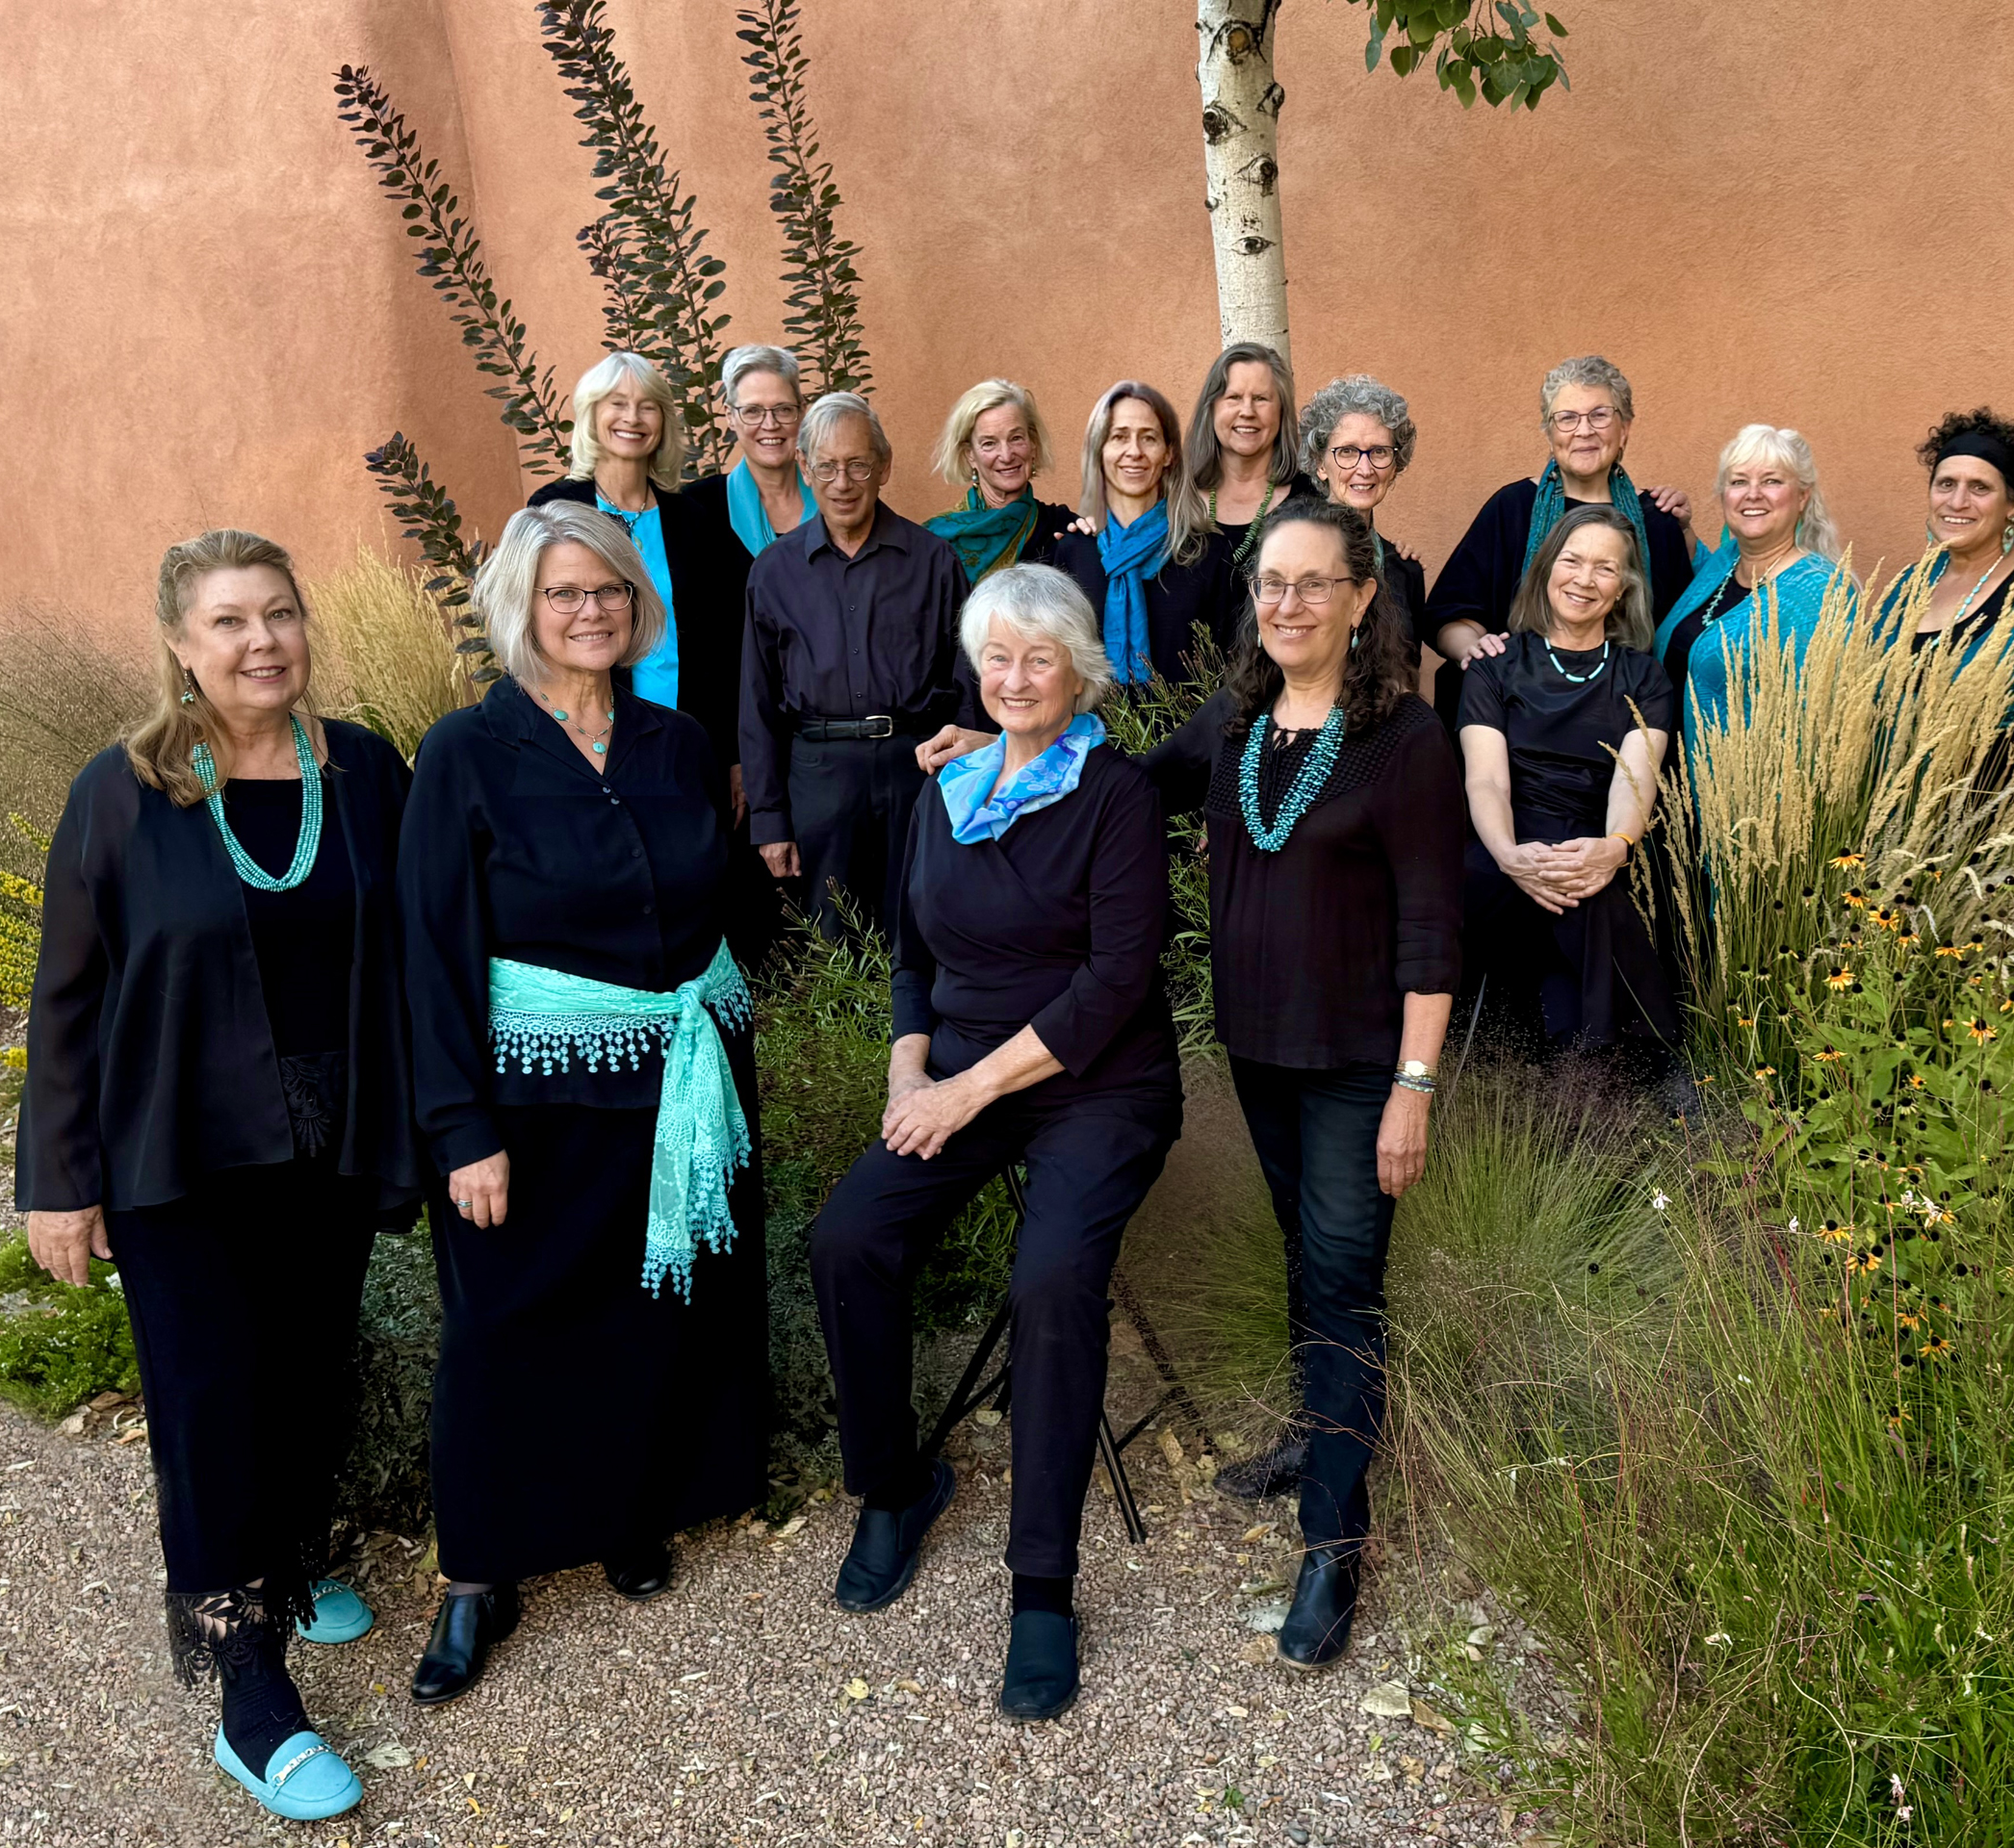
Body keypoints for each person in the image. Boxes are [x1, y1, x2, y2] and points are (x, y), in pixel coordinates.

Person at [19, 529, 421, 1823]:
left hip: (327, 1140)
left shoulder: (361, 769)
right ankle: (251, 1685)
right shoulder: (124, 792)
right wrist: (55, 1180)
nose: (263, 643)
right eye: (231, 624)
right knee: (209, 1401)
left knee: (311, 1371)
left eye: (281, 615)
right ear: (183, 649)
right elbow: (68, 998)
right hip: (178, 1155)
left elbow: (413, 948)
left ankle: (295, 1560)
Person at [399, 501, 766, 1707]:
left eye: (608, 589)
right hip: (533, 1097)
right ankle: (478, 1573)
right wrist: (461, 1130)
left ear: (636, 601)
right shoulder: (468, 749)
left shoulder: (672, 740)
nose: (590, 611)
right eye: (564, 594)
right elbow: (433, 950)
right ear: (520, 608)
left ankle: (624, 1512)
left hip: (678, 1082)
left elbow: (717, 896)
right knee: (504, 1327)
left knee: (645, 1309)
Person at [811, 564, 1182, 1724]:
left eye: (1039, 658)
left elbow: (1116, 979)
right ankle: (895, 1484)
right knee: (847, 1239)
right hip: (954, 1075)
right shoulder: (948, 786)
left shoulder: (1114, 795)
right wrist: (907, 1065)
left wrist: (965, 1088)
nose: (1015, 679)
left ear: (1080, 670)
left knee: (1054, 1277)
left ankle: (1042, 1585)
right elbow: (914, 955)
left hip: (1096, 1086)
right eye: (998, 659)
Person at [1145, 498, 1464, 1671]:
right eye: (1270, 583)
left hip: (1353, 1067)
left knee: (1343, 1278)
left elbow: (1433, 925)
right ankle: (1312, 1434)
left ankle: (1334, 1538)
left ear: (1361, 597)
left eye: (1311, 583)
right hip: (1261, 1053)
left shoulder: (1404, 740)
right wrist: (1008, 753)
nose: (1285, 604)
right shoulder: (1238, 724)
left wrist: (1413, 1085)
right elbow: (1133, 787)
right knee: (1304, 1253)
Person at [530, 350, 776, 965]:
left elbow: (733, 647)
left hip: (685, 744)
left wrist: (738, 754)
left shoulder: (693, 520)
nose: (633, 418)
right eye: (617, 404)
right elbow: (527, 625)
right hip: (585, 738)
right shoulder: (556, 510)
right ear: (591, 416)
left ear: (664, 422)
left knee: (691, 882)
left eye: (647, 406)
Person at [738, 392, 970, 939]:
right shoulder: (773, 572)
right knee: (831, 941)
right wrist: (769, 820)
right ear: (805, 469)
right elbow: (758, 702)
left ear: (883, 467)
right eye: (827, 466)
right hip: (818, 779)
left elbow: (968, 682)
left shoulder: (934, 560)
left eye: (858, 464)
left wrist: (964, 785)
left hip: (916, 769)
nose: (843, 482)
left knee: (922, 929)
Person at [1459, 506, 1677, 1063]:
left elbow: (1635, 780)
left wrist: (1615, 847)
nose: (1584, 579)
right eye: (1572, 560)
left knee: (1589, 891)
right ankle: (1648, 1059)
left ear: (1625, 588)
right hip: (1501, 850)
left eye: (1605, 568)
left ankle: (1579, 1069)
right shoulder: (1497, 665)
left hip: (1592, 845)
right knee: (1588, 899)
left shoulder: (1644, 677)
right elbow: (1486, 780)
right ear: (1546, 569)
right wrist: (1510, 855)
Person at [1423, 355, 1696, 708]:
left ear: (1625, 428)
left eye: (1600, 415)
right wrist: (1474, 649)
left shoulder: (1656, 520)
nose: (1584, 430)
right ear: (1550, 434)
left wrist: (1684, 532)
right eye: (1567, 418)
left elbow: (1679, 632)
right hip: (1513, 709)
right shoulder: (1513, 508)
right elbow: (1449, 613)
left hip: (1622, 713)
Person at [1879, 407, 2014, 765]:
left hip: (1993, 816)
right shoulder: (1908, 587)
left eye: (1980, 488)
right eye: (1946, 484)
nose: (1957, 502)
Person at [1652, 424, 1850, 752]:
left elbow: (1816, 726)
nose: (1752, 493)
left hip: (1742, 794)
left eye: (1771, 481)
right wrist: (1681, 529)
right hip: (1669, 786)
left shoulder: (1819, 590)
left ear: (1802, 496)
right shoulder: (1727, 560)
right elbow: (1714, 613)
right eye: (1738, 482)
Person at [1051, 380, 1242, 688]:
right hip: (1091, 735)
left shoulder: (1209, 554)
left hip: (1190, 735)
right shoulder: (1073, 552)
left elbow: (1233, 671)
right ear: (1100, 451)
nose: (1134, 452)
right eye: (1119, 437)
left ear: (1168, 454)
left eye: (1149, 438)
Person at [1298, 373, 1434, 704]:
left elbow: (1406, 678)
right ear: (1320, 463)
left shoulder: (1405, 572)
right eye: (1346, 452)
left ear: (1395, 465)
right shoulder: (1288, 559)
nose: (1365, 468)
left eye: (1379, 452)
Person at [1187, 341, 1318, 576]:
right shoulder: (1177, 499)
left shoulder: (1311, 502)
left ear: (1281, 411)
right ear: (1212, 408)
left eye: (1260, 398)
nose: (1247, 411)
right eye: (1234, 397)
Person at [925, 379, 1076, 581]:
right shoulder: (934, 541)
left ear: (1033, 444)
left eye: (1016, 438)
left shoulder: (1065, 529)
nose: (1006, 456)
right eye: (989, 443)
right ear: (970, 455)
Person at [679, 345, 816, 556]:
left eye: (783, 409)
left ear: (802, 411)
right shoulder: (696, 507)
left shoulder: (835, 497)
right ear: (730, 417)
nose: (770, 424)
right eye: (753, 411)